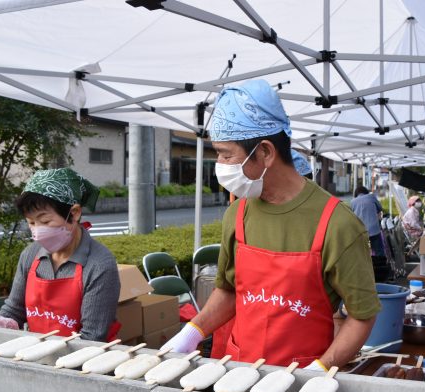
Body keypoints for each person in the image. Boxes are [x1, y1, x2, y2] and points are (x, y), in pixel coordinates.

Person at [163, 79, 380, 370]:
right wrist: (191, 333)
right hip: (238, 370)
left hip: (301, 376)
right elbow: (229, 290)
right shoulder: (237, 214)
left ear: (265, 152)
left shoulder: (338, 224)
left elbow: (362, 315)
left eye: (226, 154)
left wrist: (321, 369)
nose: (221, 165)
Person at [0, 168, 120, 353]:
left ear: (74, 213)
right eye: (31, 223)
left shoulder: (99, 265)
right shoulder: (30, 255)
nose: (37, 231)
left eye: (45, 221)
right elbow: (14, 310)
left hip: (83, 359)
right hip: (34, 354)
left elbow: (92, 337)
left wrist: (43, 359)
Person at [350, 186, 384, 257]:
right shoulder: (371, 197)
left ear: (356, 194)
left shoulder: (352, 202)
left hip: (360, 232)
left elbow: (351, 216)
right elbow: (380, 208)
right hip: (374, 230)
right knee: (379, 251)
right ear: (366, 191)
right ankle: (380, 263)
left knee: (361, 253)